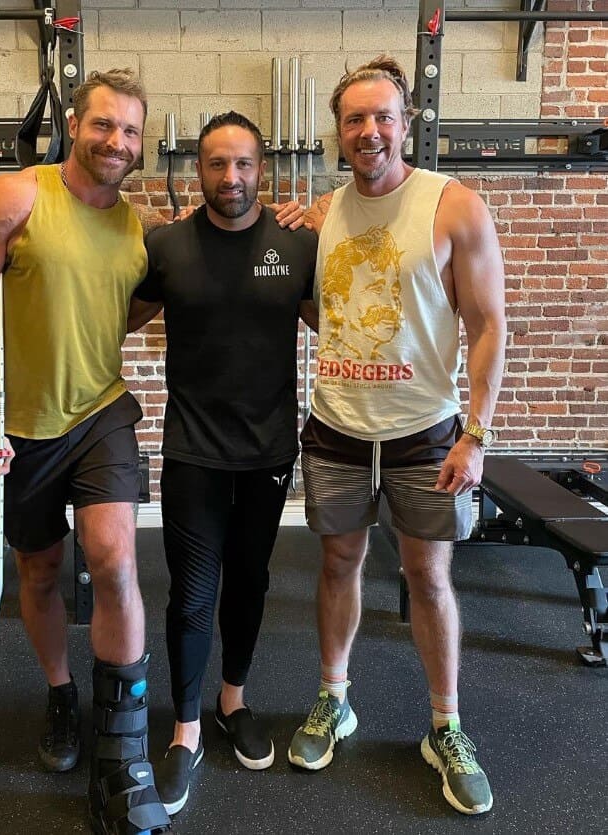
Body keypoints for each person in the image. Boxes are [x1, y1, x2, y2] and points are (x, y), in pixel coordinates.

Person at [0, 68, 175, 835]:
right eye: (104, 125)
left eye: (131, 131)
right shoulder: (17, 197)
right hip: (18, 426)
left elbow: (125, 305)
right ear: (77, 125)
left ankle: (123, 743)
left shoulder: (136, 227)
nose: (117, 141)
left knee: (112, 556)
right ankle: (61, 693)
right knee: (39, 569)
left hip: (100, 412)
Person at [287, 55, 506, 818]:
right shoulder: (321, 215)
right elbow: (324, 312)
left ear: (405, 122)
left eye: (383, 116)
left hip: (423, 433)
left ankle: (444, 726)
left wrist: (474, 435)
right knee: (337, 562)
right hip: (338, 429)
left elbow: (486, 328)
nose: (369, 131)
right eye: (354, 119)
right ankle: (333, 699)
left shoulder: (452, 207)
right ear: (338, 132)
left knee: (429, 577)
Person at [127, 111, 318, 816]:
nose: (230, 177)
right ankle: (184, 728)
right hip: (192, 451)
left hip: (269, 451)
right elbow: (115, 317)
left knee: (251, 582)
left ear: (261, 168)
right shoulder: (169, 245)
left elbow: (343, 322)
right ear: (197, 169)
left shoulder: (297, 244)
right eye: (216, 164)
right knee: (192, 592)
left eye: (242, 164)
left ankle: (232, 700)